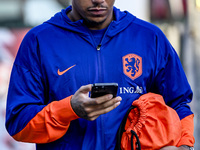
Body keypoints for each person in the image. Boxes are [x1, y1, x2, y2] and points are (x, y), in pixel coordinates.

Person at [6, 0, 194, 150]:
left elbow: (179, 103)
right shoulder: (40, 41)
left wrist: (184, 147)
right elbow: (18, 123)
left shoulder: (149, 37)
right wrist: (69, 109)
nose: (98, 1)